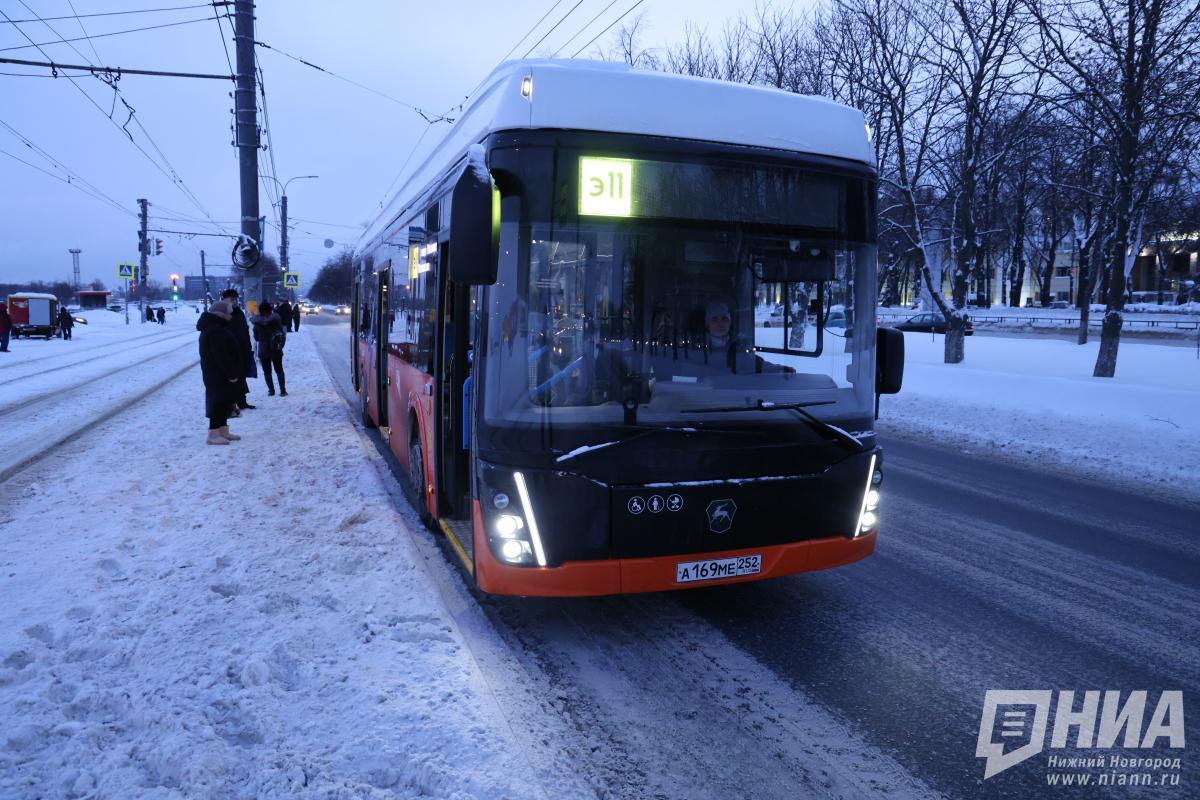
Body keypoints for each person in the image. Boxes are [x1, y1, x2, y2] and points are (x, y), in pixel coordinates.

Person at [196, 300, 243, 445]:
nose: (231, 316)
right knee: (218, 402)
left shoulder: (216, 327)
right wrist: (231, 373)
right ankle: (213, 434)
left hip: (218, 372)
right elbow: (220, 355)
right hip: (217, 373)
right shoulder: (215, 329)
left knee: (224, 401)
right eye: (228, 313)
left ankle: (223, 431)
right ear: (221, 314)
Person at [220, 289, 256, 411]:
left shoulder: (239, 312)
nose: (234, 301)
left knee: (241, 377)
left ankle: (242, 402)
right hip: (230, 352)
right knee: (230, 378)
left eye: (235, 299)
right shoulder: (222, 313)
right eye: (231, 299)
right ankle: (231, 405)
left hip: (242, 350)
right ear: (224, 300)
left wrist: (248, 348)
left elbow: (244, 331)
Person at [252, 301, 287, 396]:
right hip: (276, 348)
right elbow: (282, 334)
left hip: (263, 349)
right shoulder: (276, 320)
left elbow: (256, 338)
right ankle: (283, 390)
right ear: (270, 310)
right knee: (279, 369)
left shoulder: (256, 323)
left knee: (267, 371)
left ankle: (271, 390)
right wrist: (281, 345)